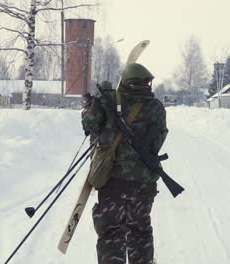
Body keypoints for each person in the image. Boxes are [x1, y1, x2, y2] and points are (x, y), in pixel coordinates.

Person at [81, 63, 168, 264]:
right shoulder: (157, 108)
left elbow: (89, 124)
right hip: (144, 186)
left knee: (112, 234)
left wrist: (95, 103)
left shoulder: (110, 100)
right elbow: (159, 140)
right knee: (140, 232)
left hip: (113, 183)